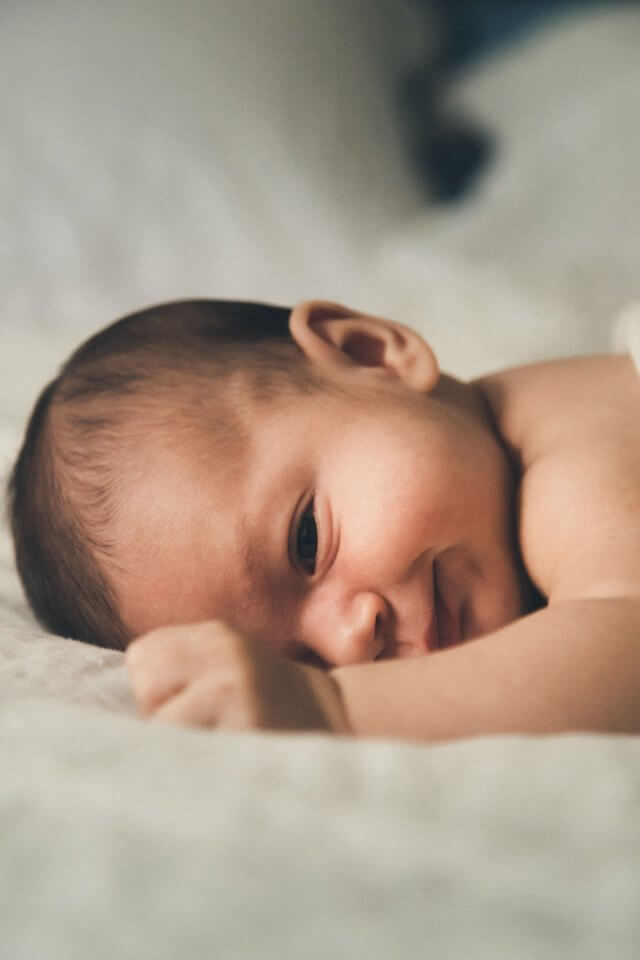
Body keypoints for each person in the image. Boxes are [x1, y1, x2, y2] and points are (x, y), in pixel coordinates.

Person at [8, 299, 640, 741]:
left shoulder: (574, 449)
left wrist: (330, 706)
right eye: (304, 664)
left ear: (371, 353)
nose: (350, 641)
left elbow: (625, 638)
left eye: (308, 542)